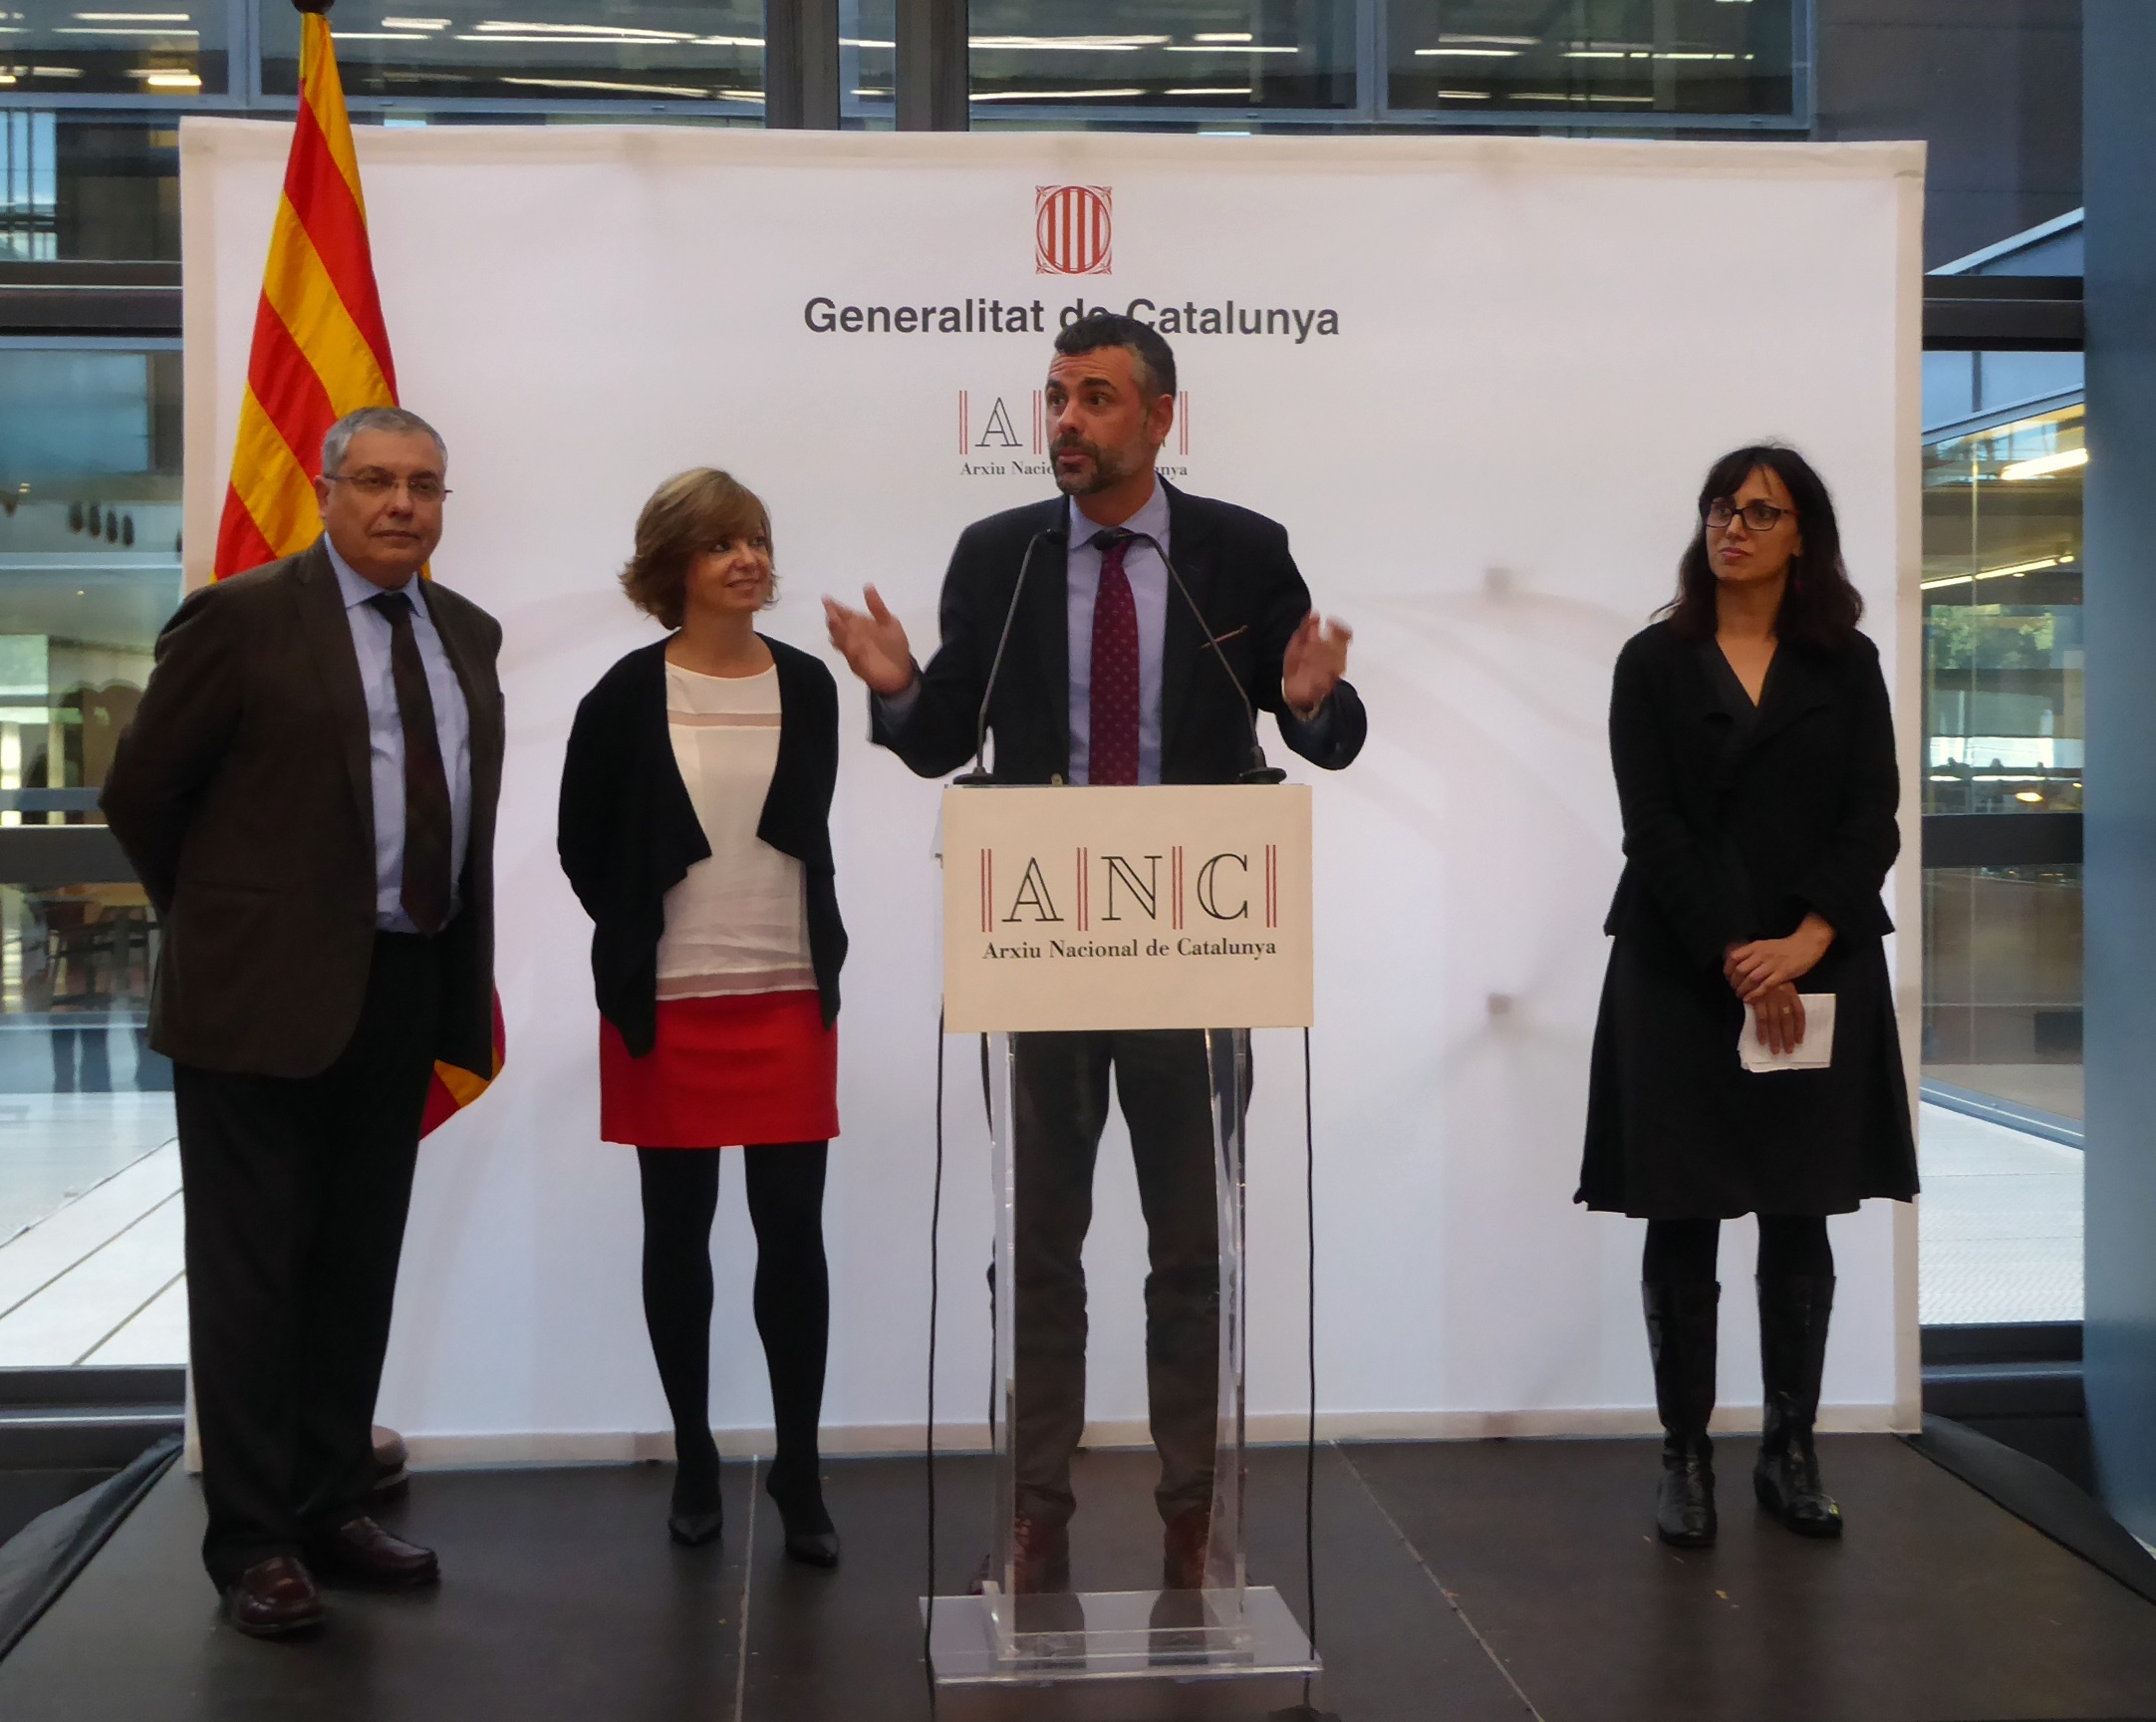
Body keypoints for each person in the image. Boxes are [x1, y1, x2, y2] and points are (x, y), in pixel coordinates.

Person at [824, 312, 1365, 1592]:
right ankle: (1034, 1515)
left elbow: (1324, 730)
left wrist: (1309, 704)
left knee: (1193, 1252)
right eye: (1057, 396)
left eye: (1097, 398)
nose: (1066, 420)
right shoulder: (1001, 554)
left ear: (1160, 418)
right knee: (1038, 1252)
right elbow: (945, 734)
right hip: (1043, 949)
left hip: (1194, 952)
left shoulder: (1239, 552)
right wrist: (897, 689)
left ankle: (1192, 1513)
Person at [102, 406, 502, 1636]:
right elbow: (143, 792)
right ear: (325, 491)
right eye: (375, 481)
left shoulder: (466, 631)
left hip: (403, 980)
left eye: (423, 485)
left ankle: (331, 1504)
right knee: (253, 1278)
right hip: (256, 998)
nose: (401, 505)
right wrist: (232, 921)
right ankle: (254, 1543)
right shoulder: (239, 617)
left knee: (352, 1265)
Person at [1578, 443, 1917, 1551]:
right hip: (1681, 969)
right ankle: (1684, 1457)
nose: (1734, 527)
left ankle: (1790, 1450)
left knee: (1798, 1204)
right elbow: (1651, 826)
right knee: (1681, 1208)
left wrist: (1806, 939)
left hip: (1818, 963)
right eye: (1722, 508)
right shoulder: (1652, 661)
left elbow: (1873, 816)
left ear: (1801, 534)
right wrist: (1737, 952)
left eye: (1760, 512)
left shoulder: (1846, 662)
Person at [558, 469, 846, 1569]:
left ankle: (801, 1471)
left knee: (793, 1239)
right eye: (723, 542)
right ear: (672, 563)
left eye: (757, 539)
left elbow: (809, 827)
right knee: (676, 1237)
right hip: (668, 1001)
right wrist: (641, 927)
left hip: (788, 990)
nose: (749, 559)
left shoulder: (809, 684)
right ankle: (692, 1454)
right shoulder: (622, 694)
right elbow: (583, 841)